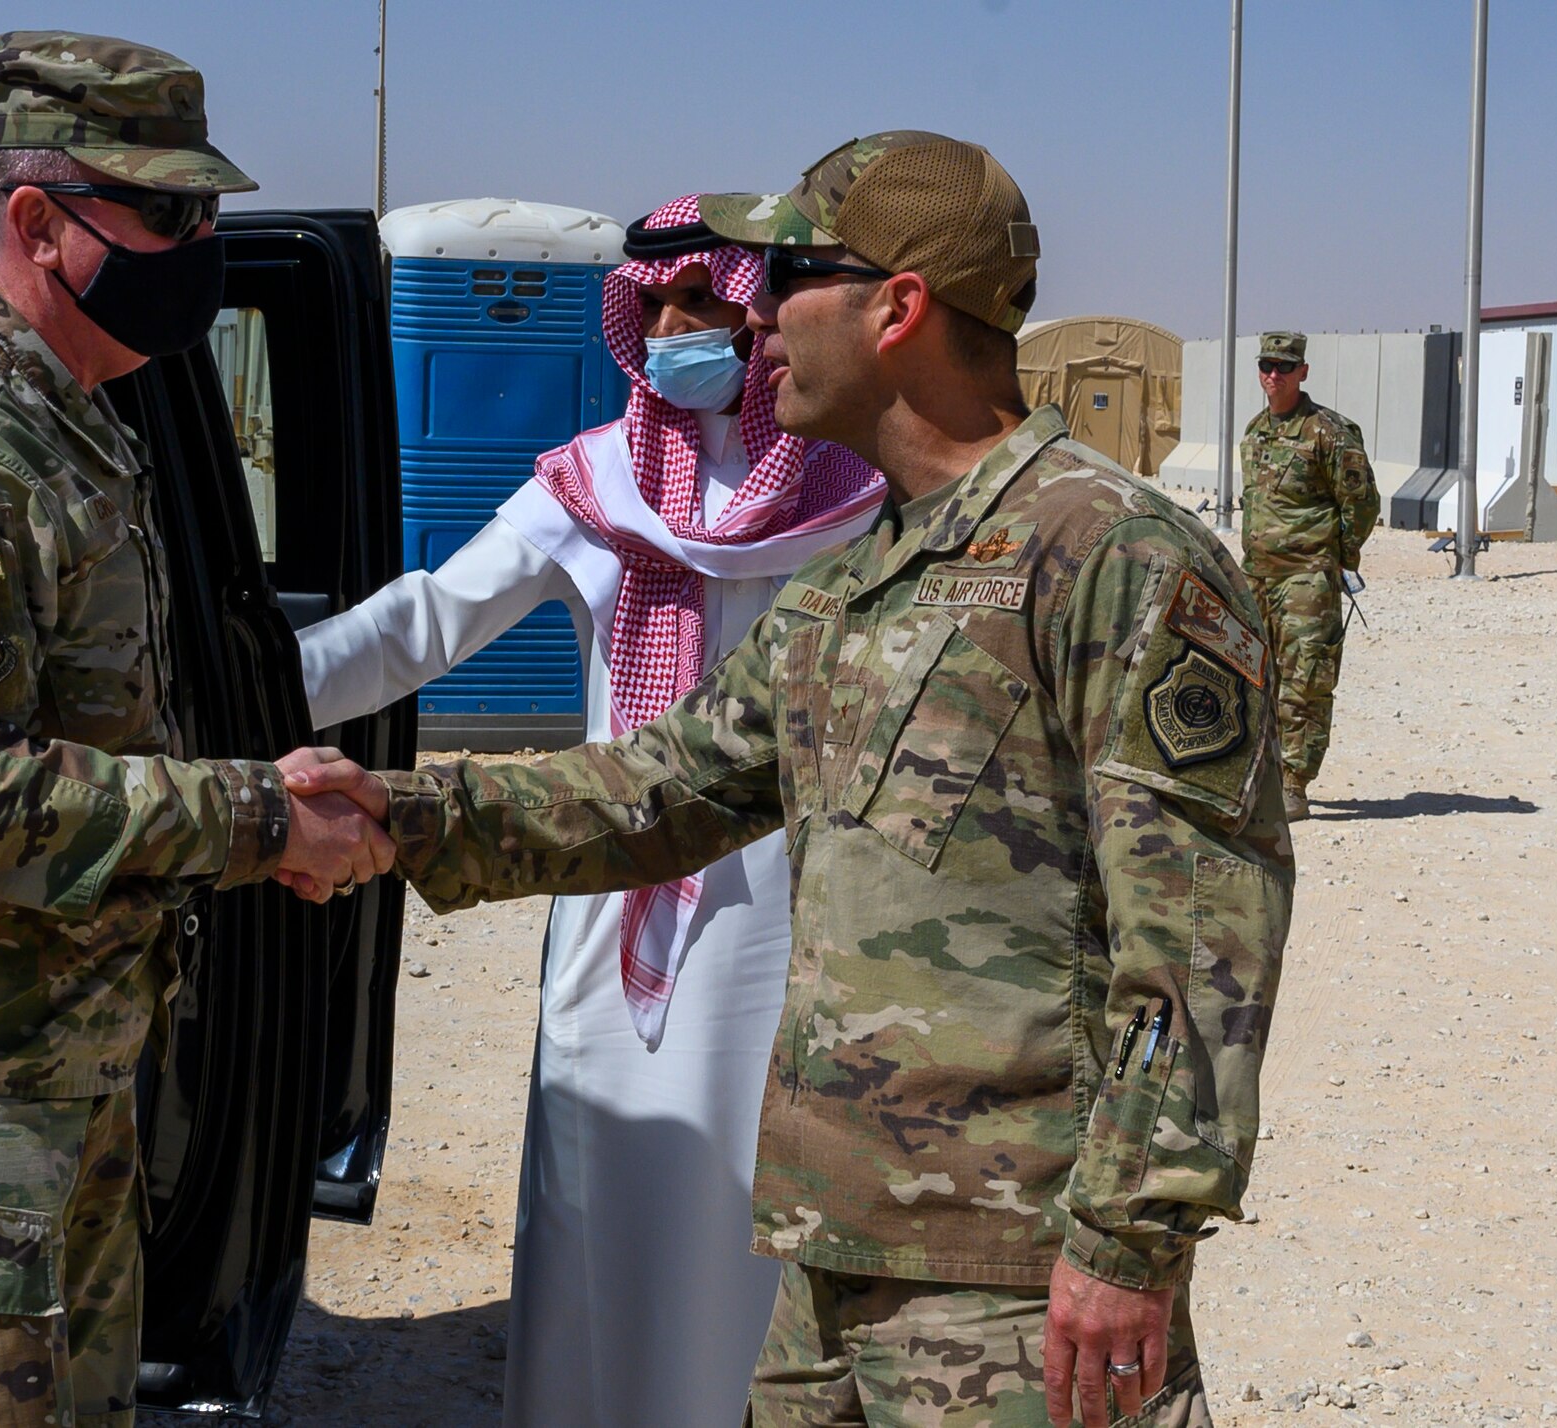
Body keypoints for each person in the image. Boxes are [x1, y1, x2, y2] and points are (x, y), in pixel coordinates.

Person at [290, 132, 1294, 1428]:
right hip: (828, 1269)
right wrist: (398, 815)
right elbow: (657, 793)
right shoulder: (852, 588)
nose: (751, 318)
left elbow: (1202, 952)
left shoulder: (1119, 562)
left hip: (1007, 1274)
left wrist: (1127, 1248)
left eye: (789, 278)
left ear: (900, 307)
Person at [0, 32, 391, 1428]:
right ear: (37, 219)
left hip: (54, 1059)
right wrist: (256, 817)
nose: (199, 242)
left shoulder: (71, 417)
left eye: (206, 211)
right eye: (167, 213)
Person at [296, 196, 883, 1428]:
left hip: (784, 901)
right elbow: (422, 624)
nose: (676, 328)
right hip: (617, 883)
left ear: (758, 312)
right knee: (598, 1188)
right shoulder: (594, 479)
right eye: (655, 307)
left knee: (748, 1201)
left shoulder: (855, 489)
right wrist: (228, 686)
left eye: (704, 306)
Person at [1238, 331, 1380, 820]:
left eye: (1283, 366)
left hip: (1306, 579)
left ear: (1303, 371)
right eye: (1266, 365)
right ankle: (1259, 773)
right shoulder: (1255, 430)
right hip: (1257, 578)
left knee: (1304, 681)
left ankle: (1295, 783)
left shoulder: (1329, 432)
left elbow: (1361, 504)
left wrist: (1337, 559)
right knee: (1254, 677)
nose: (1273, 375)